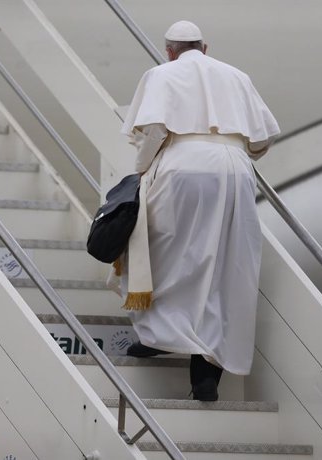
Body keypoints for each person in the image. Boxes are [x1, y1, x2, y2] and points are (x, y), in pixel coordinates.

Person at [118, 20, 280, 401]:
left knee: (164, 252)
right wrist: (241, 150)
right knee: (225, 267)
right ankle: (206, 375)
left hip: (183, 165)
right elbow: (265, 135)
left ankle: (158, 338)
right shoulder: (237, 76)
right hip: (236, 170)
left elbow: (154, 131)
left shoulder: (161, 73)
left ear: (169, 50)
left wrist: (140, 170)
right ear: (204, 47)